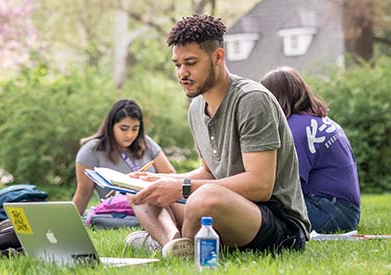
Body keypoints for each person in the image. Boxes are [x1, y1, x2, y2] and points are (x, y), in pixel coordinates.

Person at [124, 15, 310, 258]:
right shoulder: (196, 108)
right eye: (177, 65)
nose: (182, 73)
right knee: (141, 190)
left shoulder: (252, 100)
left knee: (203, 198)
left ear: (218, 57)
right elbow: (210, 172)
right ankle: (174, 244)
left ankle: (174, 243)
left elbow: (260, 185)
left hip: (276, 223)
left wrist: (182, 187)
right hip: (222, 207)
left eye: (190, 63)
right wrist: (158, 180)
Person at [260, 67, 360, 233]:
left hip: (330, 212)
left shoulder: (294, 130)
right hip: (344, 210)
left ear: (273, 98)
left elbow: (285, 186)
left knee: (261, 210)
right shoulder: (319, 120)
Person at [73, 99, 175, 216]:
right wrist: (70, 221)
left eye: (135, 128)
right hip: (118, 211)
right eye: (123, 128)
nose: (129, 135)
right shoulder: (91, 150)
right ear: (111, 126)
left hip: (154, 206)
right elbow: (83, 194)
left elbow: (170, 174)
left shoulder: (146, 143)